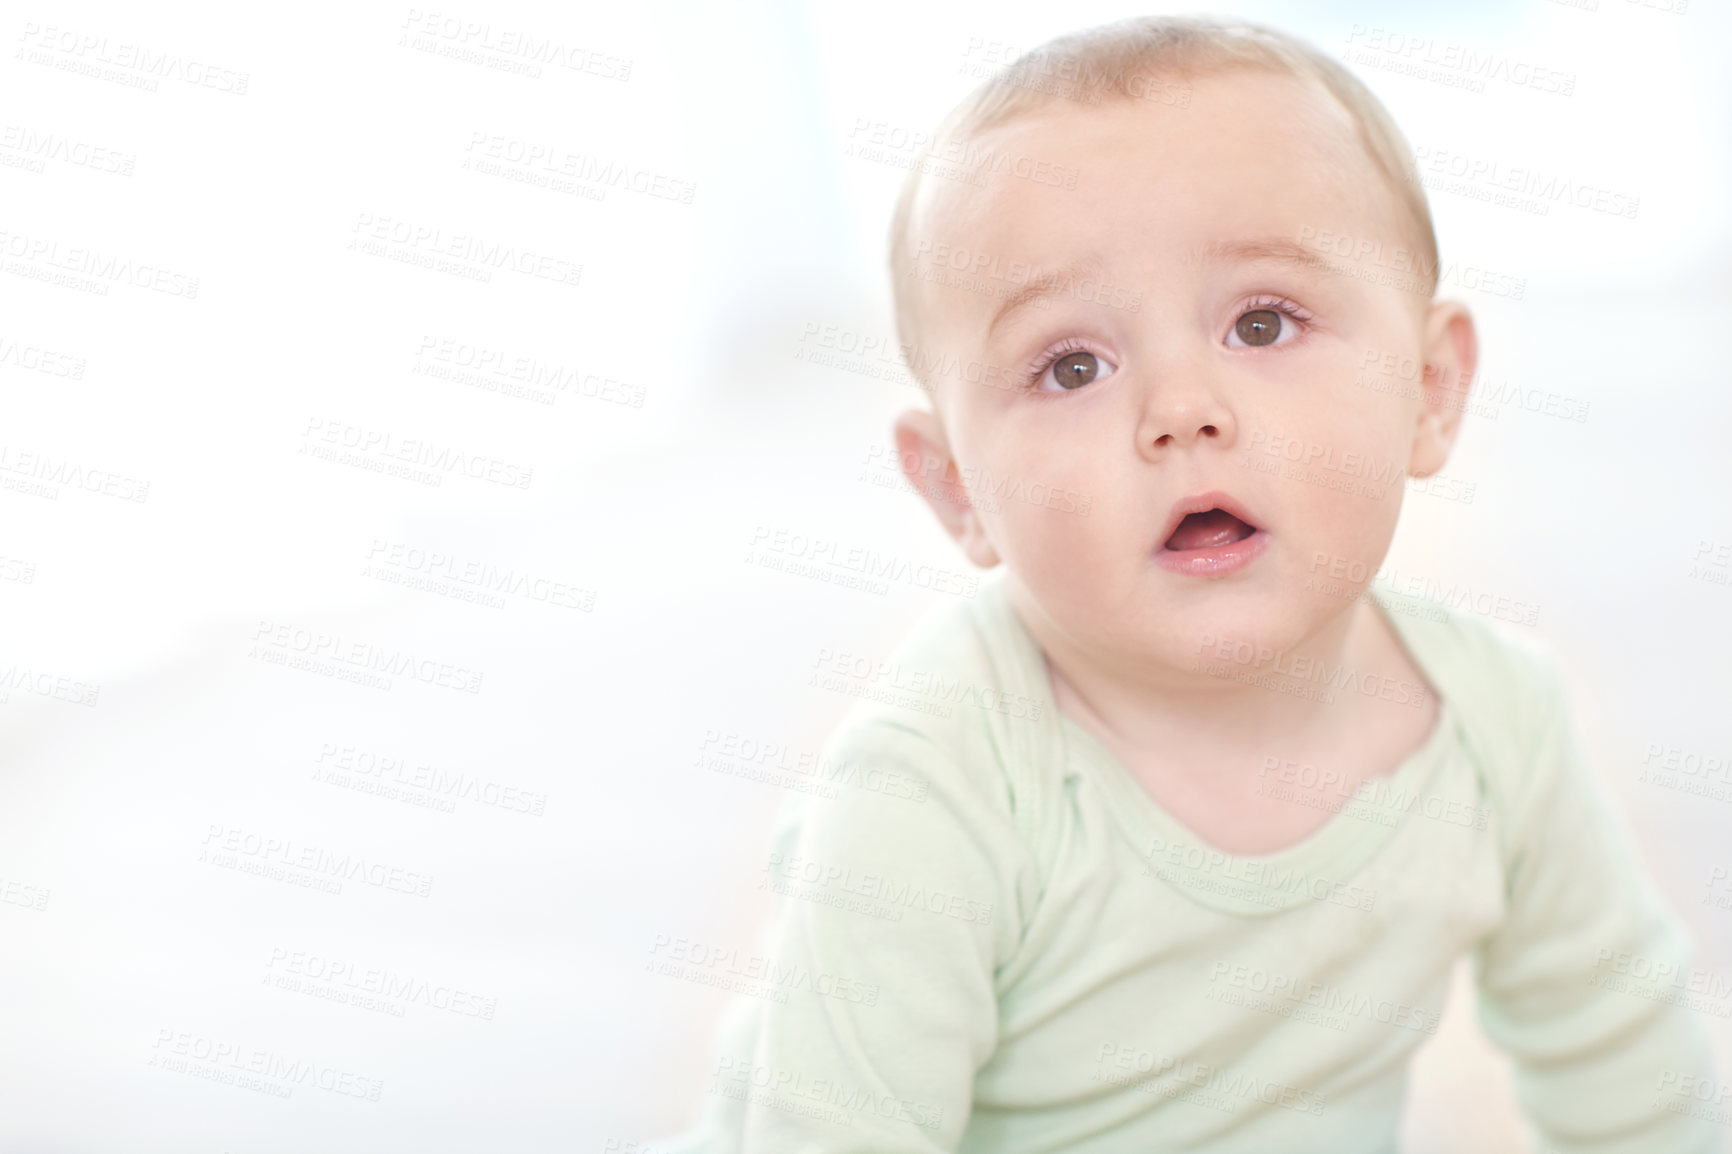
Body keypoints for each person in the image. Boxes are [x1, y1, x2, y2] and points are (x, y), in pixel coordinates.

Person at [658, 15, 1721, 1151]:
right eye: (1072, 365)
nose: (1180, 409)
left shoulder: (1494, 723)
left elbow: (1631, 1076)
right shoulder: (934, 786)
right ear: (958, 488)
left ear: (1428, 389)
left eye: (1261, 321)